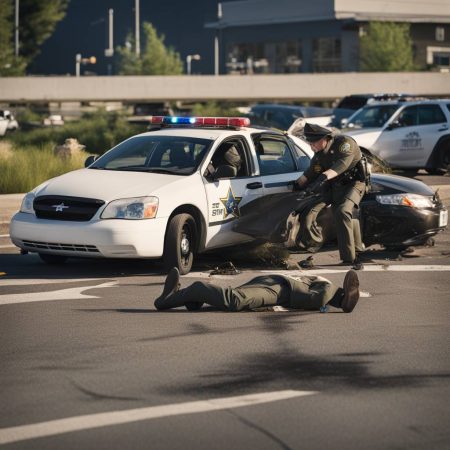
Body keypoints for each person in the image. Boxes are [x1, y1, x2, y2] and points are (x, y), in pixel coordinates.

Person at [293, 123, 367, 268]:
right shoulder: (319, 155)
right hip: (335, 186)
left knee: (342, 211)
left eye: (313, 142)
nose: (311, 146)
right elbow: (310, 173)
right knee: (313, 209)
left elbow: (341, 165)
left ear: (324, 139)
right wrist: (296, 185)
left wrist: (322, 178)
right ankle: (356, 249)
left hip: (354, 184)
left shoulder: (345, 143)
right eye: (309, 143)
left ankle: (350, 258)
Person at [154, 267, 360, 313]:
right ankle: (174, 298)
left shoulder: (325, 291)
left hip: (279, 289)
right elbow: (315, 297)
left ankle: (190, 298)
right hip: (278, 287)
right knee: (235, 299)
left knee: (235, 299)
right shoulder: (325, 290)